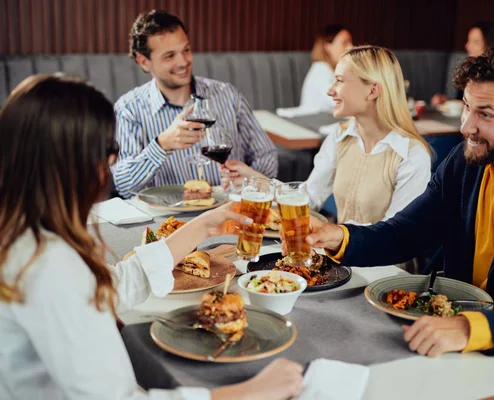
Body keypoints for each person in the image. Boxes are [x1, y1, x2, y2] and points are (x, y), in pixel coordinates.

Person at [288, 44, 494, 364]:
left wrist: (468, 329)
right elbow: (406, 232)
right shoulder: (466, 163)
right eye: (466, 106)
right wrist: (337, 235)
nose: (465, 126)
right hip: (448, 340)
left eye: (485, 114)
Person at [0, 74, 303, 399]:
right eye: (106, 148)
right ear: (65, 163)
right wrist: (248, 393)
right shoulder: (46, 266)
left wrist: (201, 226)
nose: (113, 158)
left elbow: (105, 290)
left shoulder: (23, 234)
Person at [226, 46, 432, 224]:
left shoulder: (412, 155)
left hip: (389, 269)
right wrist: (254, 178)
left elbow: (397, 235)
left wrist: (334, 236)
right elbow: (309, 197)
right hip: (343, 260)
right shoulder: (340, 136)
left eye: (340, 81)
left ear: (372, 91)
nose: (330, 91)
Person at [111, 10, 278, 198]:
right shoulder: (128, 109)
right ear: (144, 62)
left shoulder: (227, 95)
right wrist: (162, 145)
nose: (183, 61)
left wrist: (250, 184)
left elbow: (266, 155)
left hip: (228, 212)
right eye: (169, 56)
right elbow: (124, 185)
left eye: (186, 50)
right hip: (169, 222)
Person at [276, 24, 353, 117]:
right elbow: (337, 100)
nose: (351, 47)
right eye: (345, 43)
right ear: (328, 46)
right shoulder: (320, 69)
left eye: (350, 42)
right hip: (312, 120)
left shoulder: (333, 70)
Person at [431, 21, 494, 106]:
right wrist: (446, 101)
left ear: (491, 45)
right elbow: (461, 101)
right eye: (469, 41)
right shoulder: (469, 70)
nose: (467, 46)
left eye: (475, 42)